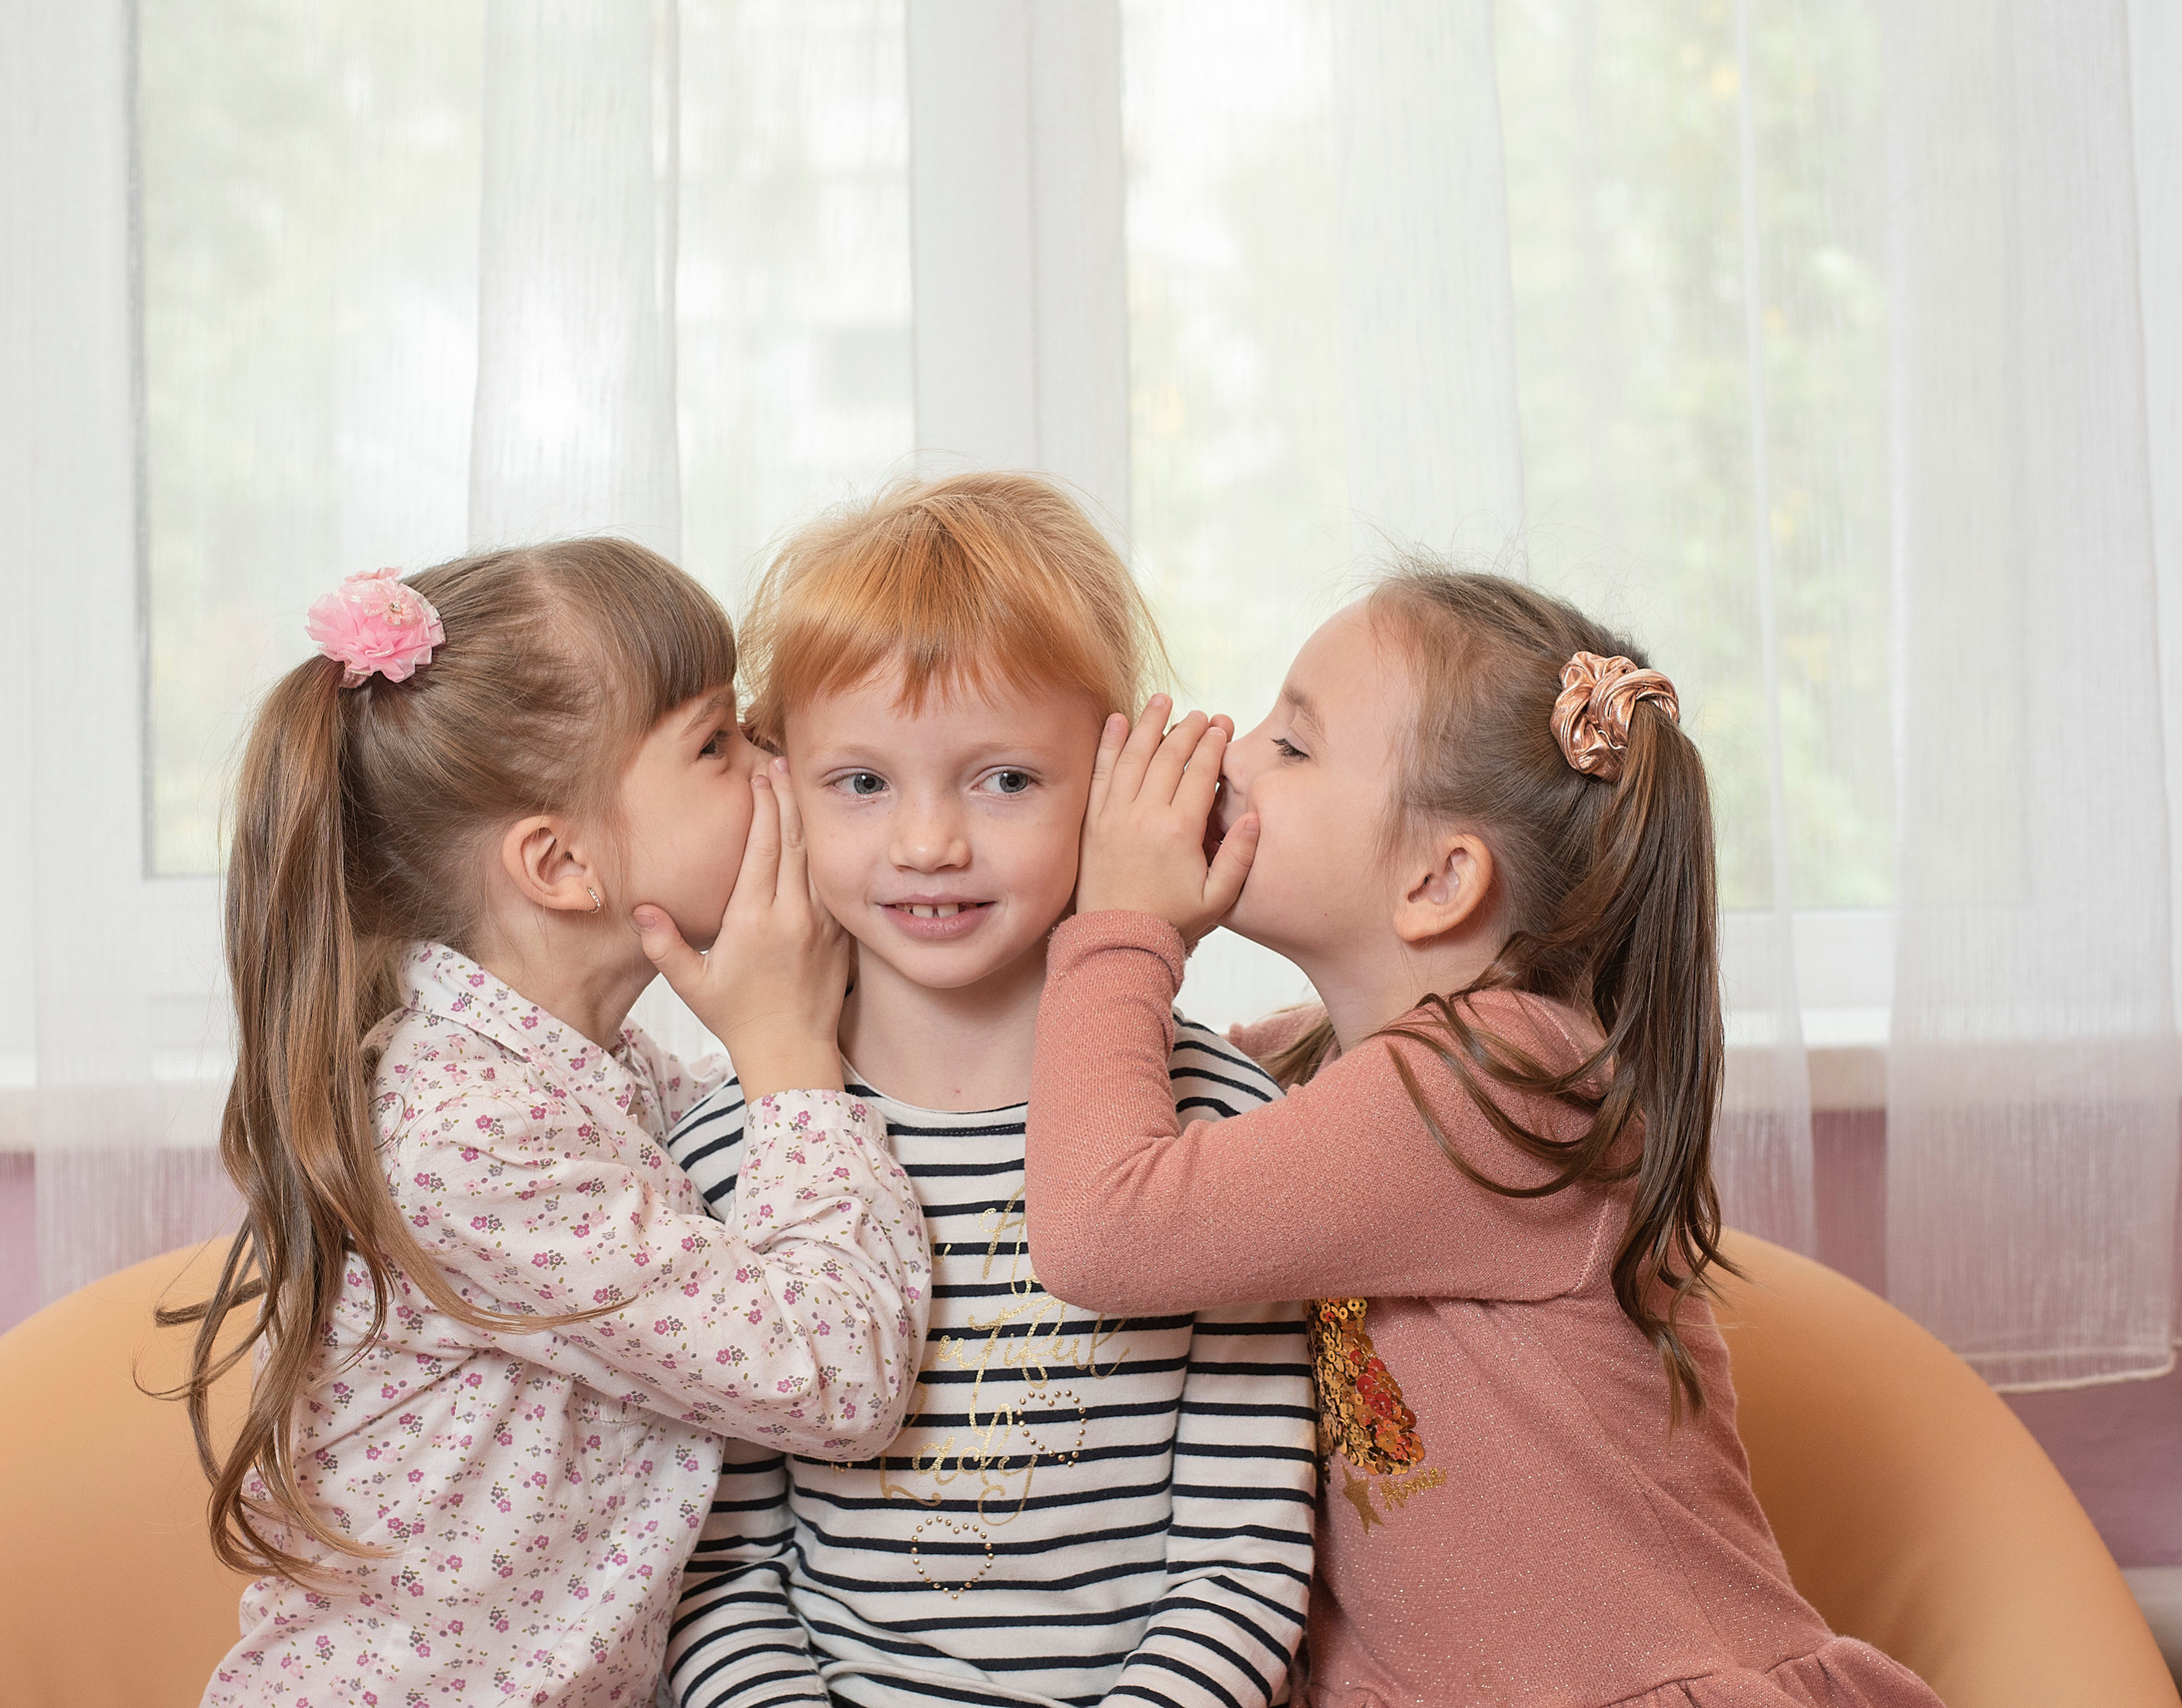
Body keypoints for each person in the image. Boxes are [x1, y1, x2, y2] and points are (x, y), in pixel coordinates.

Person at [1023, 566, 1944, 1707]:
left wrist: (1121, 924)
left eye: (1292, 745)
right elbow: (1095, 1097)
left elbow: (1100, 1226)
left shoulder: (1502, 1075)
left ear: (1440, 878)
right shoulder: (1321, 1064)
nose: (1222, 747)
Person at [170, 544, 932, 1707]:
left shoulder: (582, 1076)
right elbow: (833, 1374)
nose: (777, 766)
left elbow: (788, 1164)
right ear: (562, 861)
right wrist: (786, 1053)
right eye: (717, 743)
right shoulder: (468, 1134)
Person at [663, 474, 1314, 1708]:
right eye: (861, 782)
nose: (927, 844)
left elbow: (1240, 1558)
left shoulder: (1220, 1126)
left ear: (1112, 784)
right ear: (778, 787)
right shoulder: (725, 1152)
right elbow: (719, 1573)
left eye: (1003, 779)